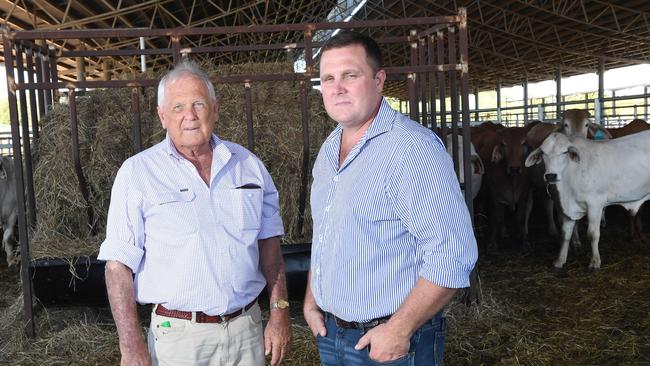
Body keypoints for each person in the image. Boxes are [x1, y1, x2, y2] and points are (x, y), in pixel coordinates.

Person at [98, 60, 291, 366]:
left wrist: (279, 311)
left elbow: (269, 245)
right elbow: (117, 266)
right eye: (177, 107)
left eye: (198, 103)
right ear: (162, 116)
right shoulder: (138, 173)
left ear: (215, 109)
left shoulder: (248, 165)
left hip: (246, 331)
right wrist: (131, 343)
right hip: (178, 339)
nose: (189, 115)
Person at [303, 31, 478, 365]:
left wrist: (399, 329)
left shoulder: (411, 149)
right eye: (328, 78)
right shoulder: (328, 150)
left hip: (390, 342)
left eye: (350, 76)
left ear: (379, 80)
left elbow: (454, 253)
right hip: (331, 334)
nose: (336, 88)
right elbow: (326, 233)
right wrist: (312, 302)